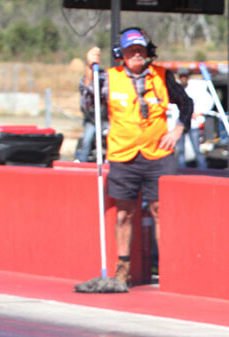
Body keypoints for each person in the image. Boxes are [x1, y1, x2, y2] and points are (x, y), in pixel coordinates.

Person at [77, 27, 193, 288]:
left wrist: (178, 129)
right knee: (124, 215)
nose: (136, 54)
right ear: (122, 54)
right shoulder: (108, 77)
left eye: (140, 49)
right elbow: (88, 104)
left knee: (161, 211)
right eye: (131, 51)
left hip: (158, 154)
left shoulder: (163, 76)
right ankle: (123, 269)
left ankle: (167, 268)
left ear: (148, 52)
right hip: (123, 154)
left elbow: (186, 103)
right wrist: (88, 68)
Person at [74, 62, 107, 162]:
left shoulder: (107, 92)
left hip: (106, 121)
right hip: (92, 122)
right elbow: (85, 108)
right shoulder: (88, 96)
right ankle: (82, 160)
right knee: (87, 139)